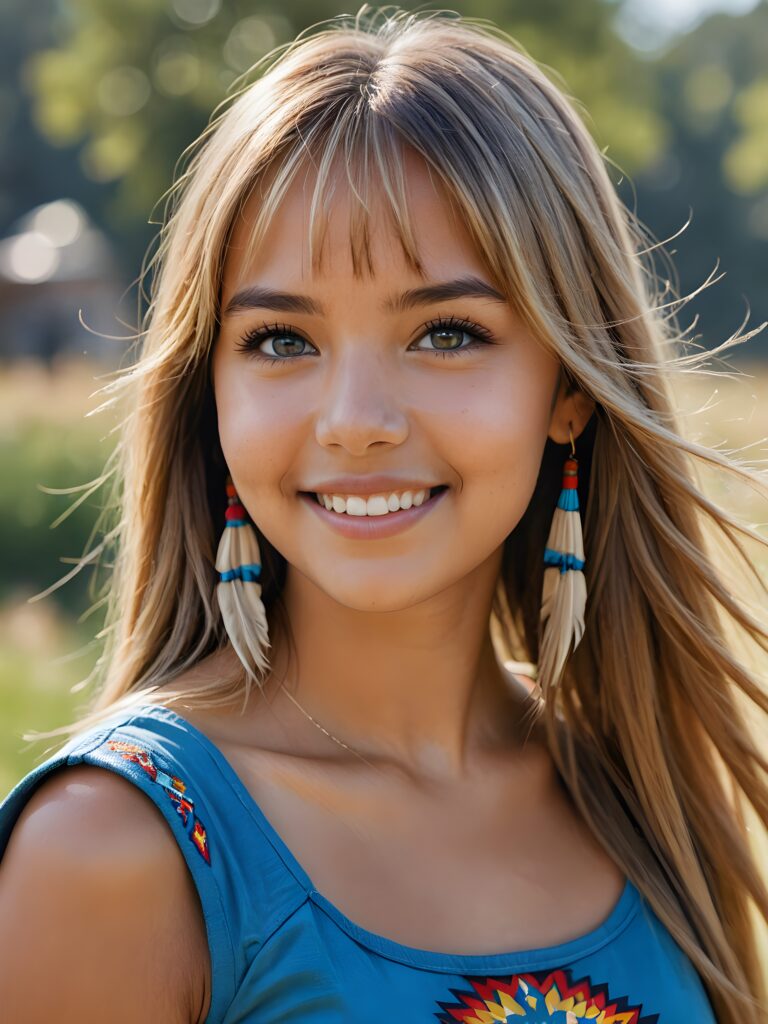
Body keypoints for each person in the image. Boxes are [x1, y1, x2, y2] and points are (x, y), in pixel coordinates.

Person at [0, 7, 765, 1023]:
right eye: (280, 341)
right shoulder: (113, 850)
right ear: (210, 395)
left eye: (446, 332)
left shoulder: (642, 790)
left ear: (570, 388)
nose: (355, 422)